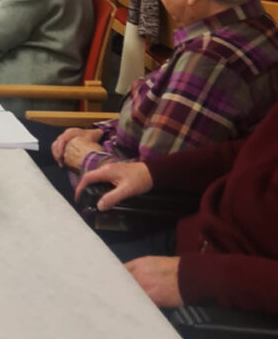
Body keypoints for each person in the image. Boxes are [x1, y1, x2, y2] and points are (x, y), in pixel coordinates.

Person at [49, 0, 278, 177]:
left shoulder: (210, 59)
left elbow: (155, 178)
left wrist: (85, 156)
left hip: (113, 201)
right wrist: (102, 130)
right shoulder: (258, 24)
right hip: (117, 152)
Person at [75, 100, 278, 312]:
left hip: (227, 299)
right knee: (59, 274)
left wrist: (196, 278)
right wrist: (152, 173)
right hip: (193, 242)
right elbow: (251, 151)